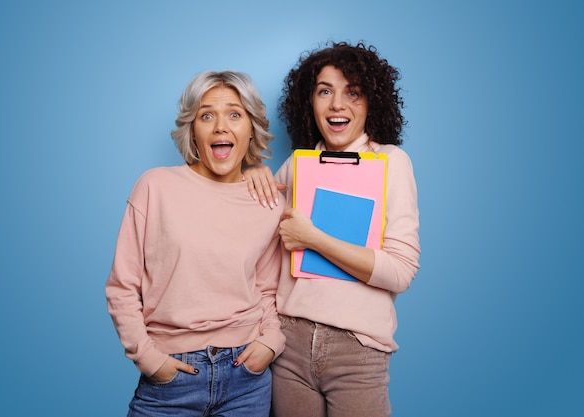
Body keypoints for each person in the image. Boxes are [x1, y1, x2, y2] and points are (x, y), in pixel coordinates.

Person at [243, 41, 421, 417]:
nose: (337, 104)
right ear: (310, 102)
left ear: (371, 102)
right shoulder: (296, 165)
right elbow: (249, 240)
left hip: (357, 350)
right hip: (288, 345)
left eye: (352, 92)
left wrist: (314, 239)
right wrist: (254, 174)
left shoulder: (391, 162)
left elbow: (401, 272)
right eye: (325, 91)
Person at [105, 70, 286, 417]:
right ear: (193, 130)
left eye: (235, 114)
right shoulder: (154, 187)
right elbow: (122, 287)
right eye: (207, 116)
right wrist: (149, 359)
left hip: (247, 377)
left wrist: (271, 343)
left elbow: (267, 290)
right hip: (170, 377)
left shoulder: (269, 201)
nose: (221, 127)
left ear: (251, 128)